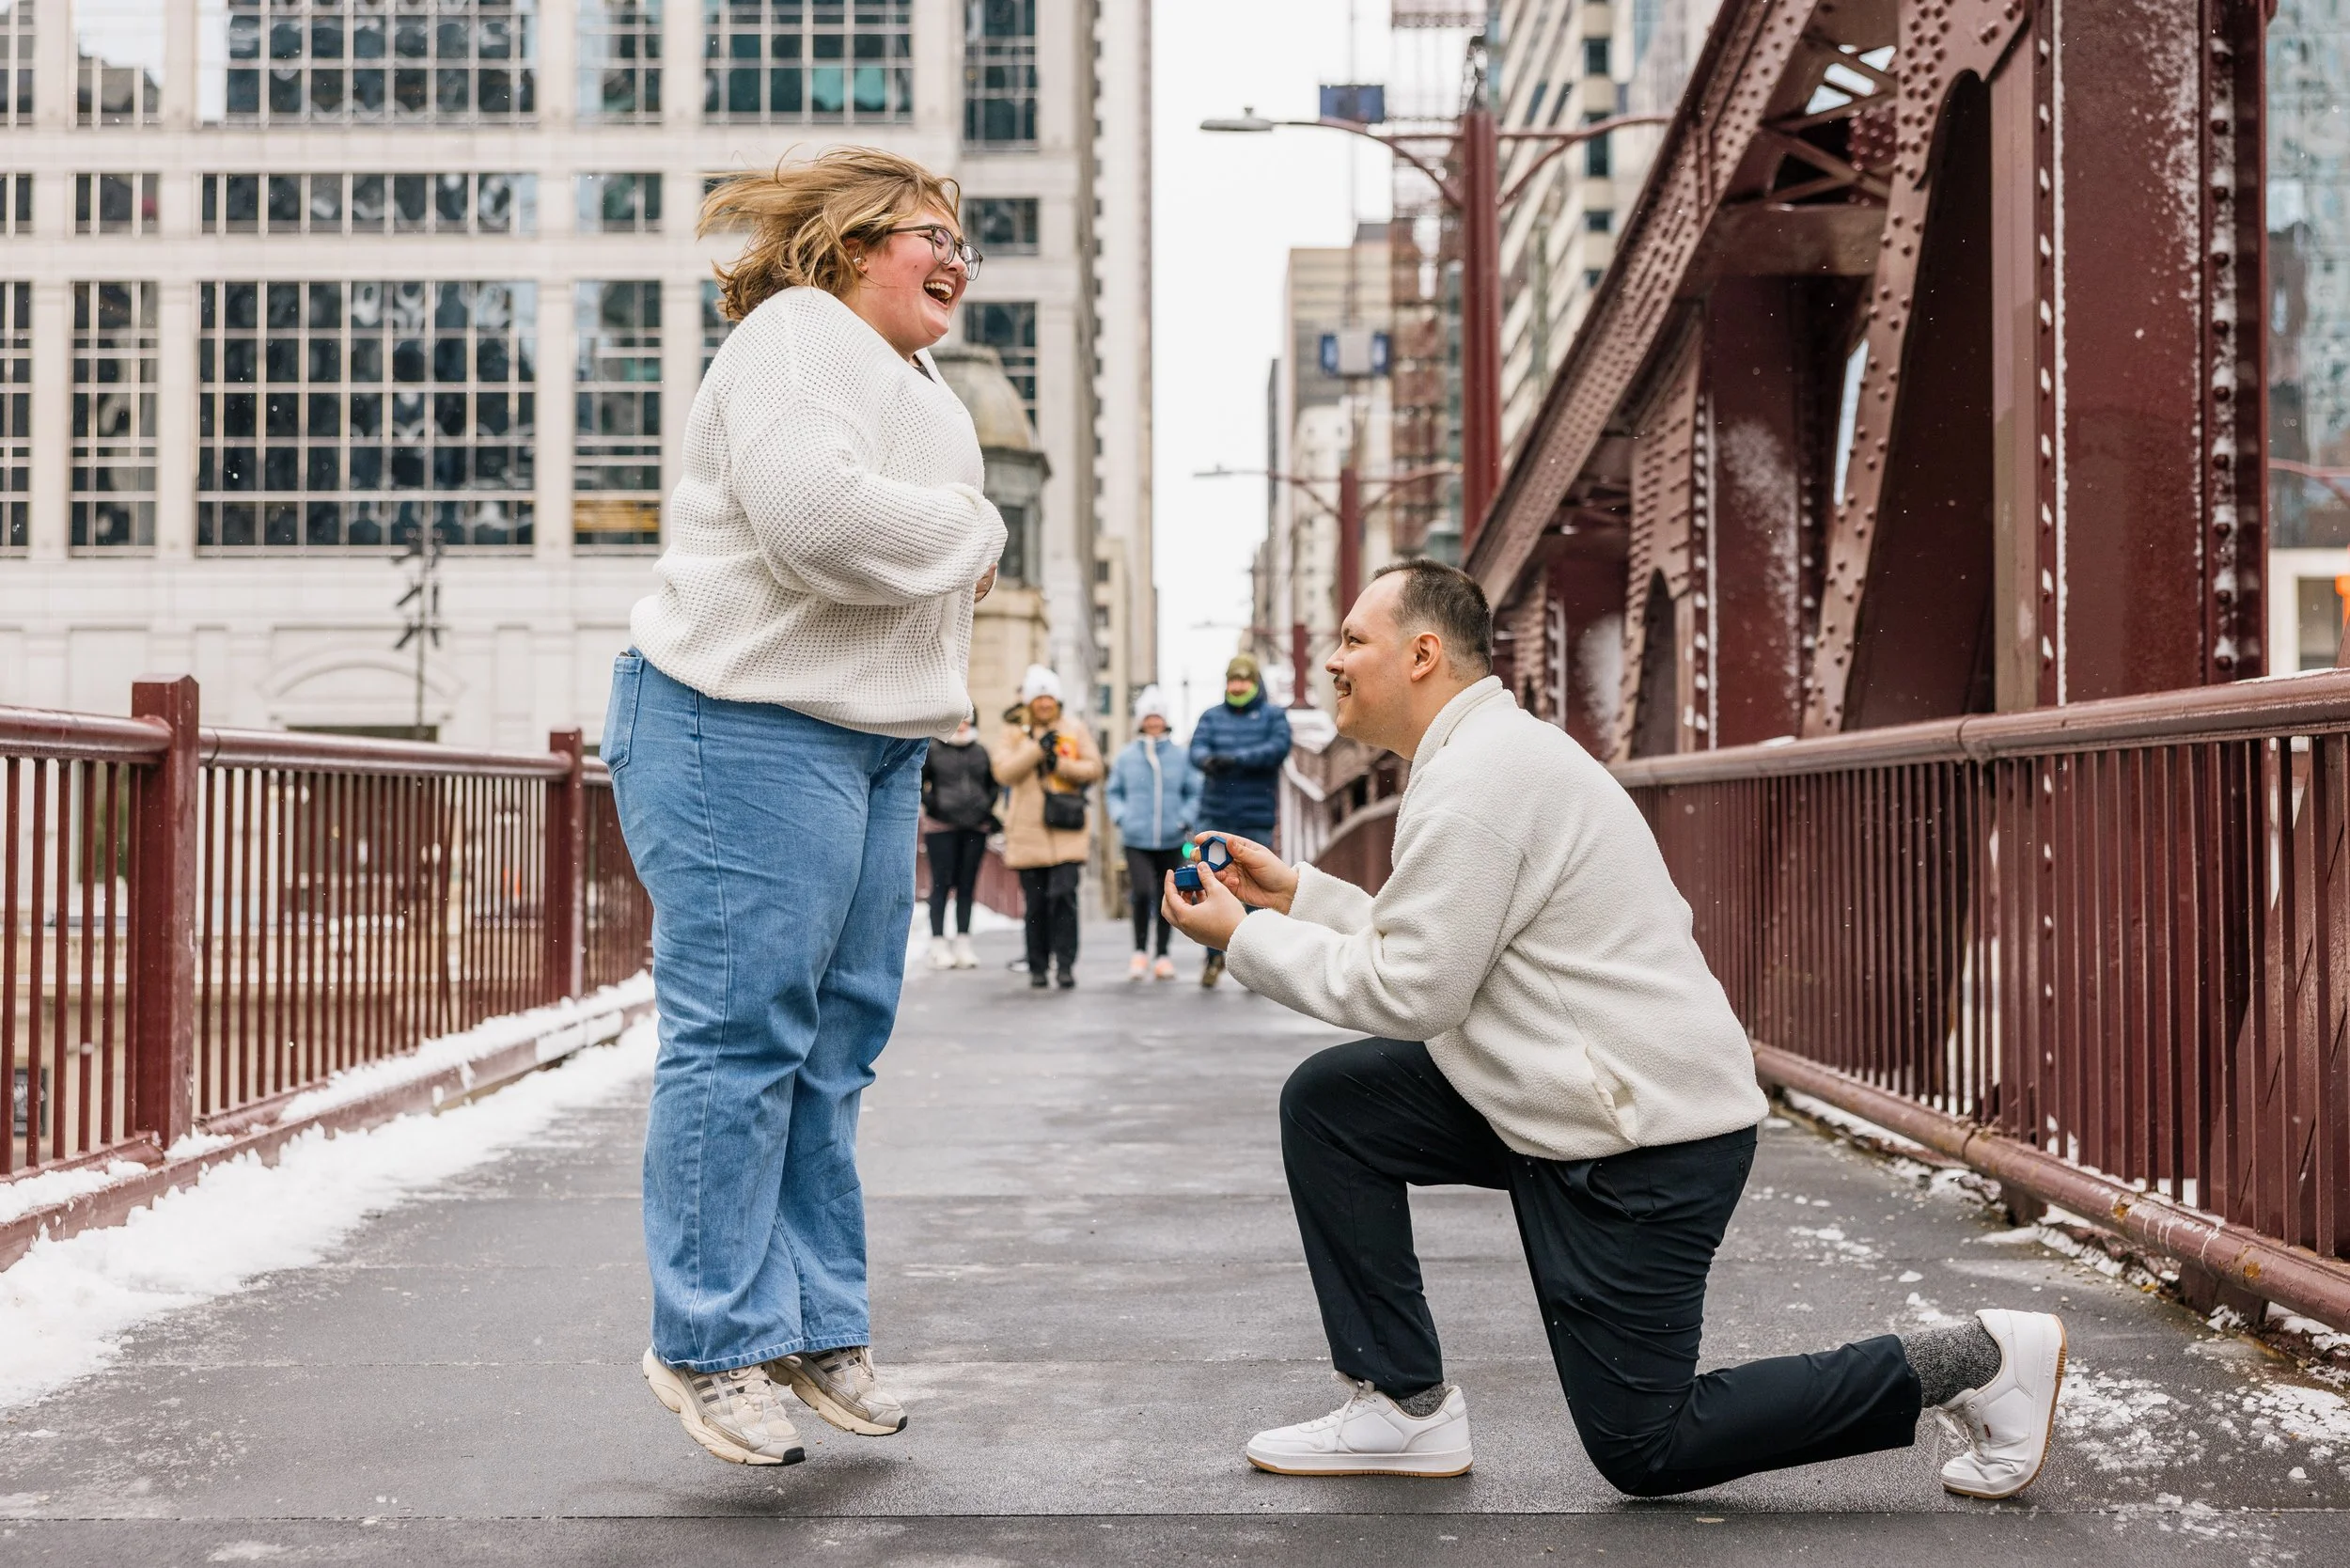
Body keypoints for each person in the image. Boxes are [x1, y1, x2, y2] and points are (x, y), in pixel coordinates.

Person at [1159, 559, 2066, 1500]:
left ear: (1422, 654)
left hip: (1640, 1144)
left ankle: (1979, 1360)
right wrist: (1298, 898)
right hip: (1567, 1098)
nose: (1332, 661)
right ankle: (1401, 1405)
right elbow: (1444, 942)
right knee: (1336, 1104)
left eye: (1354, 640)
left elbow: (1413, 992)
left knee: (1648, 1445)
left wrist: (1242, 938)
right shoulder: (1488, 756)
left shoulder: (1478, 780)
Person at [607, 146, 1003, 1468]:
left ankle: (813, 1324)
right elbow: (816, 522)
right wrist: (974, 534)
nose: (955, 262)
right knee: (743, 1035)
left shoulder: (915, 385)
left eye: (963, 245)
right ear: (848, 243)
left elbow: (890, 542)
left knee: (835, 1046)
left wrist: (942, 542)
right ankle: (707, 1338)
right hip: (742, 724)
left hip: (872, 743)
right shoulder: (797, 334)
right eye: (930, 235)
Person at [993, 665, 1102, 990]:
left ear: (1057, 701)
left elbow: (1094, 768)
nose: (1044, 704)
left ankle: (1065, 964)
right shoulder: (1013, 732)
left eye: (1049, 698)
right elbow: (1003, 772)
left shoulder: (1074, 728)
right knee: (1036, 903)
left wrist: (1060, 764)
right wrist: (1036, 749)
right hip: (1028, 832)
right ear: (1029, 701)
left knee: (1064, 897)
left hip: (1067, 827)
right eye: (1038, 698)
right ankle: (1037, 965)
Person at [1187, 652, 1292, 988]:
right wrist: (1208, 761)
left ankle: (1255, 959)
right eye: (1233, 680)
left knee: (1258, 887)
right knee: (1212, 883)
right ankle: (1213, 955)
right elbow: (1196, 750)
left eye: (1244, 680)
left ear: (1255, 682)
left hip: (1255, 815)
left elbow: (1278, 748)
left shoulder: (1273, 716)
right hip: (1216, 814)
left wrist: (1236, 760)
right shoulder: (1211, 716)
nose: (1238, 686)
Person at [1104, 684, 1201, 980]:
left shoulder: (1180, 756)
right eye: (1148, 717)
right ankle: (1139, 952)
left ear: (1165, 720)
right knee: (1143, 891)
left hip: (1172, 838)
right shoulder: (1126, 757)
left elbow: (1194, 791)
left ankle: (1162, 954)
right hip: (1137, 839)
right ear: (1141, 721)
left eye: (1158, 717)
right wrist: (1122, 817)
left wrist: (1184, 819)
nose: (1153, 722)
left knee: (1166, 896)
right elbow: (1113, 792)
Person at [920, 715, 997, 970]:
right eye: (958, 720)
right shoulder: (934, 749)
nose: (962, 725)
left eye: (967, 721)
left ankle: (963, 943)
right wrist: (935, 807)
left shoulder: (981, 751)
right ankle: (938, 944)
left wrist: (985, 807)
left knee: (967, 885)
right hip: (941, 827)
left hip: (975, 827)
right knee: (940, 884)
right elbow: (920, 783)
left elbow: (992, 785)